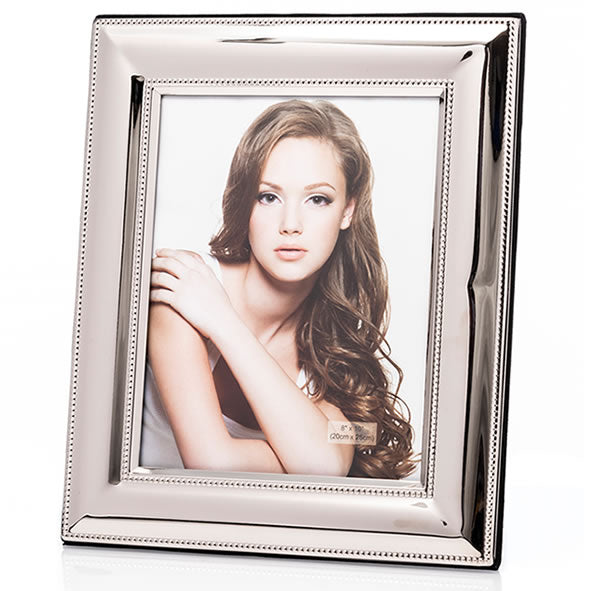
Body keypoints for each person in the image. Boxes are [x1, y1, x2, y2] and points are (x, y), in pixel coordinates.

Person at [141, 99, 417, 479]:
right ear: (246, 202)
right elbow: (211, 462)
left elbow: (344, 449)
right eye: (268, 197)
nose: (291, 224)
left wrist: (223, 322)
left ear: (347, 211)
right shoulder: (184, 288)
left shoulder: (332, 356)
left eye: (317, 199)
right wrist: (297, 454)